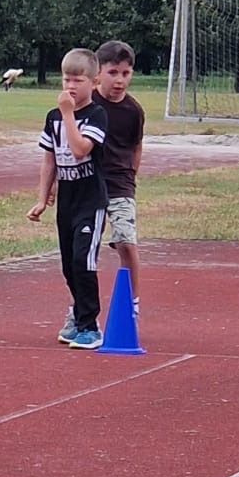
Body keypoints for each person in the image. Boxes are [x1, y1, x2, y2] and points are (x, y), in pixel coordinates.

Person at [27, 48, 110, 349]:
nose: (71, 86)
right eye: (66, 80)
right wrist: (42, 198)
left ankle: (90, 325)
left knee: (82, 260)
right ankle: (79, 315)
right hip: (67, 202)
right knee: (68, 265)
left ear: (94, 81)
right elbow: (49, 160)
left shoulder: (96, 115)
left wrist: (68, 114)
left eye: (78, 80)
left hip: (91, 201)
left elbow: (79, 150)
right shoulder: (53, 118)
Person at [94, 39, 146, 318]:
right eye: (113, 73)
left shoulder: (133, 111)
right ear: (98, 73)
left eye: (125, 73)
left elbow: (136, 146)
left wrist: (131, 176)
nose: (119, 80)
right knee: (86, 247)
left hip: (121, 184)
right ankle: (82, 307)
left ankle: (132, 302)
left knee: (126, 240)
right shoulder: (87, 104)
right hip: (89, 183)